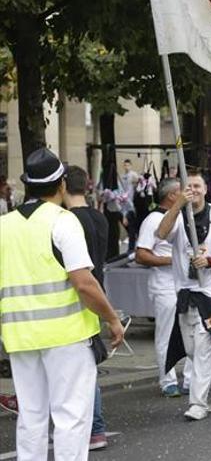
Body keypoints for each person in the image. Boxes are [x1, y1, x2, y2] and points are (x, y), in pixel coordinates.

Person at [0, 148, 124, 459]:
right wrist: (112, 318)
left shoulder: (4, 225)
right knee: (71, 416)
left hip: (20, 336)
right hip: (66, 336)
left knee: (31, 415)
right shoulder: (63, 221)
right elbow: (84, 282)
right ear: (62, 185)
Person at [157, 171, 211, 421]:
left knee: (204, 346)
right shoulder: (179, 217)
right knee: (192, 349)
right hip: (186, 290)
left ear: (205, 189)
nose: (193, 190)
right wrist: (178, 206)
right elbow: (161, 234)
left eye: (197, 186)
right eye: (188, 186)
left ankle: (197, 403)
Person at [63, 166, 113, 451]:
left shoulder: (66, 221)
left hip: (77, 296)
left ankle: (94, 427)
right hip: (98, 293)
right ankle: (94, 427)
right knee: (88, 364)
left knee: (80, 369)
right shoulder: (99, 218)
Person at [136, 177, 192, 397]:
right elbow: (141, 254)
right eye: (183, 190)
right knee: (167, 334)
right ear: (172, 196)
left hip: (184, 284)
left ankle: (189, 379)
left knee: (189, 331)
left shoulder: (184, 218)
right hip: (165, 286)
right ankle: (167, 380)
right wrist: (173, 261)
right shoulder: (153, 220)